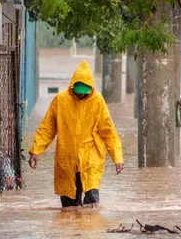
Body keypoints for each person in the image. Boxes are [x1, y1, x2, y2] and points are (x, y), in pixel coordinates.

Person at [28, 60, 124, 210]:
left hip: (91, 159)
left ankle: (89, 232)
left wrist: (117, 158)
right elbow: (47, 128)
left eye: (83, 92)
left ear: (90, 89)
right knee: (68, 209)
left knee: (92, 205)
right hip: (67, 160)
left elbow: (109, 132)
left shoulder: (97, 101)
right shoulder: (60, 100)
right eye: (78, 91)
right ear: (72, 87)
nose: (80, 94)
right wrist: (35, 151)